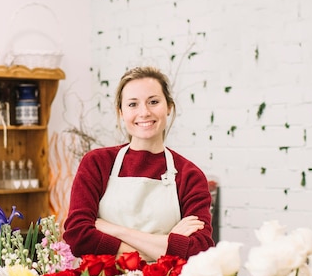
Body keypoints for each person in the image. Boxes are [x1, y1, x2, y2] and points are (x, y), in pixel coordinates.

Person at [63, 66, 214, 262]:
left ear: (169, 107)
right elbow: (78, 237)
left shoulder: (189, 175)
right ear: (121, 112)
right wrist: (168, 243)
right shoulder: (97, 163)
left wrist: (116, 231)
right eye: (133, 104)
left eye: (153, 102)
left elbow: (198, 250)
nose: (144, 112)